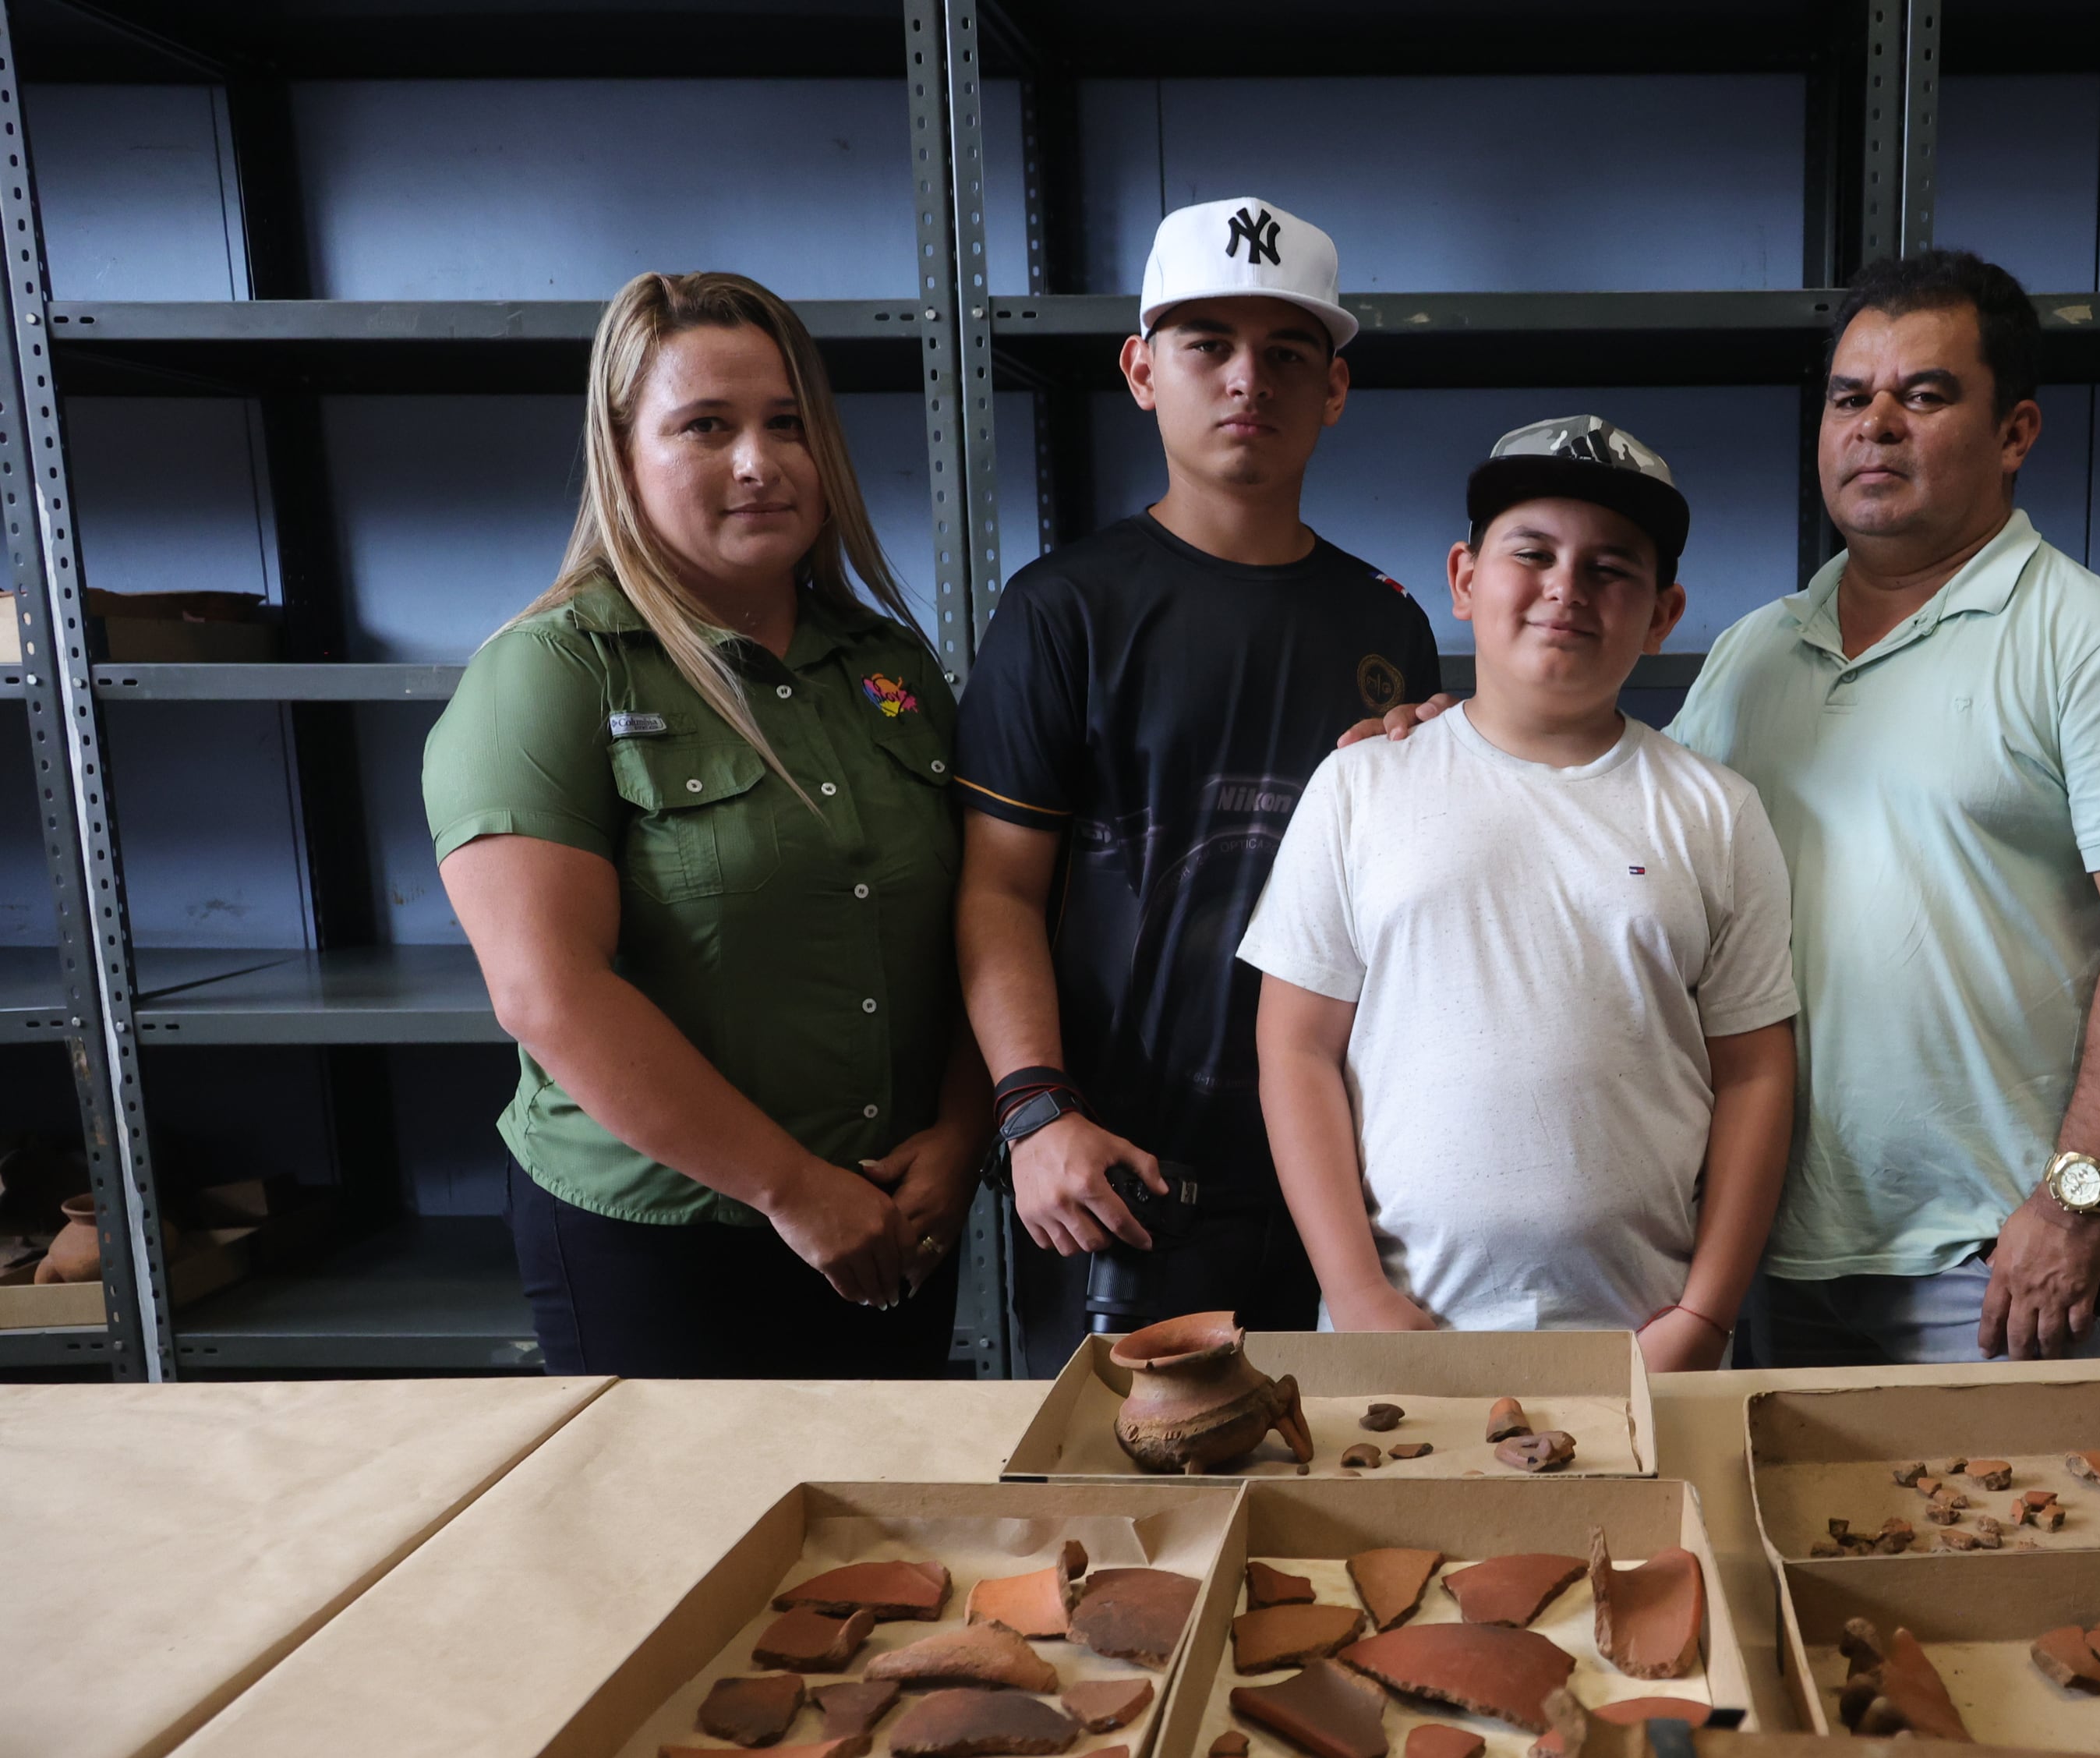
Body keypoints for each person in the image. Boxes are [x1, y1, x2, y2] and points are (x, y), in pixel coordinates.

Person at [1667, 249, 2100, 1365]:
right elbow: (1625, 833)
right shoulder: (1755, 650)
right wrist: (1462, 744)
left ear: (2015, 432)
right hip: (1762, 1240)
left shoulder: (2093, 643)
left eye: (1922, 396)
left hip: (1993, 1261)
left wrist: (2074, 1203)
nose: (1874, 425)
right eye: (1848, 398)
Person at [426, 271, 986, 1378]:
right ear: (621, 454)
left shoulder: (887, 666)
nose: (760, 461)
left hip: (890, 1219)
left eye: (789, 424)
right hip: (661, 1243)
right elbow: (548, 992)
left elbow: (981, 920)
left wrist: (963, 1138)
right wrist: (792, 1187)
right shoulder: (551, 673)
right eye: (706, 427)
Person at [954, 197, 1443, 1363]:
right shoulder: (1063, 609)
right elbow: (996, 892)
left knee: (1346, 1468)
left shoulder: (1389, 623)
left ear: (1334, 388)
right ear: (1140, 370)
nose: (1247, 380)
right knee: (1121, 1481)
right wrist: (1035, 1109)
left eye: (1287, 354)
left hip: (1342, 1181)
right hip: (1117, 1181)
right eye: (1207, 345)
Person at [1241, 417, 1798, 1374]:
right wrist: (1357, 1293)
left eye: (1610, 568)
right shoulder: (1361, 787)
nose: (1565, 588)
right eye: (1532, 553)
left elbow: (1756, 1074)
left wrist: (1705, 1315)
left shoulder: (1717, 811)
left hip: (1646, 1341)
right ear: (1464, 579)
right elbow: (1295, 1049)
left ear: (1663, 614)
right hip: (1401, 1333)